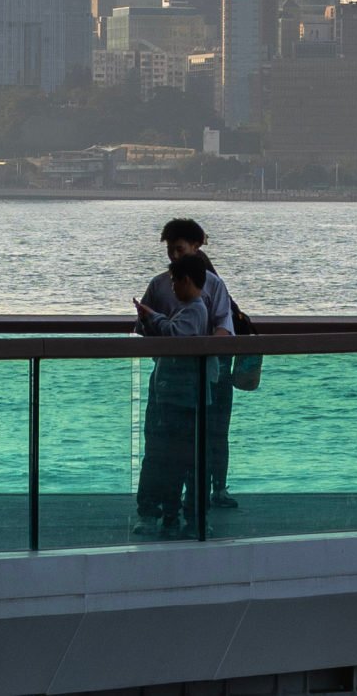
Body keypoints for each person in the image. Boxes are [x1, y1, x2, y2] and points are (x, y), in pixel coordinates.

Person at [138, 218, 250, 509]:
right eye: (171, 251)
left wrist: (197, 350)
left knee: (205, 439)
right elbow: (141, 330)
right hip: (167, 377)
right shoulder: (159, 285)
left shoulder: (213, 286)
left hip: (205, 377)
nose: (175, 257)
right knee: (159, 441)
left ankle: (198, 503)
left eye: (180, 250)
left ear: (196, 247)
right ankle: (156, 506)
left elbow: (224, 328)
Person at [132, 253, 220, 537]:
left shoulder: (195, 310)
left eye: (174, 282)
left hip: (184, 400)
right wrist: (149, 322)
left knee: (177, 458)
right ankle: (175, 513)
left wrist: (153, 316)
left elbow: (175, 335)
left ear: (186, 281)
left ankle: (178, 513)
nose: (171, 288)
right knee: (176, 459)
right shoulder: (191, 309)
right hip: (177, 397)